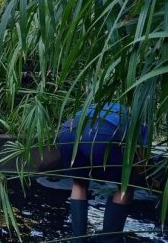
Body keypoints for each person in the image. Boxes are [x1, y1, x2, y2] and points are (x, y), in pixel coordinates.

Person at [57, 103, 148, 243]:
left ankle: (78, 239)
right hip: (104, 131)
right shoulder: (141, 118)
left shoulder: (102, 103)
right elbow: (141, 161)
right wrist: (140, 179)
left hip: (69, 129)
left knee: (79, 184)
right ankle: (109, 239)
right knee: (126, 185)